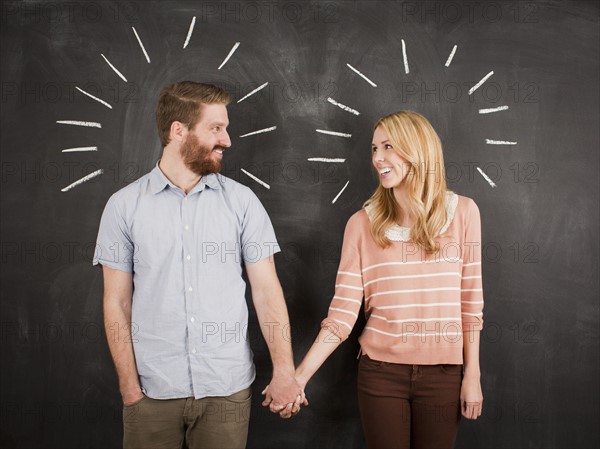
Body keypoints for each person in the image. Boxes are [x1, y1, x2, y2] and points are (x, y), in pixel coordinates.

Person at [93, 81, 304, 449]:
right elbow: (116, 302)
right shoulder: (123, 206)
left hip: (227, 390)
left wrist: (285, 369)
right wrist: (129, 389)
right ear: (179, 131)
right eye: (215, 128)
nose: (227, 140)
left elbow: (267, 290)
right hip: (152, 391)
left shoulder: (242, 202)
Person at [268, 110, 484, 448]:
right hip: (381, 375)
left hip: (444, 375)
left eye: (388, 147)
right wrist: (298, 378)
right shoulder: (361, 224)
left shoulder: (465, 214)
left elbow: (471, 305)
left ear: (418, 150)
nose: (377, 158)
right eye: (374, 149)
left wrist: (473, 374)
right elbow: (341, 315)